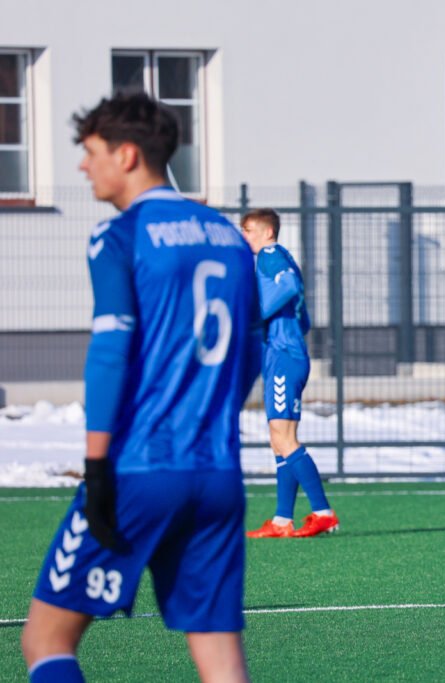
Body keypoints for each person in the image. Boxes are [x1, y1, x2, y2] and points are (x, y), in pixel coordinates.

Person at [21, 93, 258, 682]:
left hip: (140, 469)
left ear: (126, 155)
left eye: (91, 152)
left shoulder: (119, 236)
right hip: (218, 473)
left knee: (46, 639)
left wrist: (96, 467)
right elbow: (253, 348)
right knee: (221, 659)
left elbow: (110, 352)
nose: (83, 166)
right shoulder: (228, 235)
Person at [241, 208, 339, 538]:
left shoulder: (270, 255)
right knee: (277, 438)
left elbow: (289, 287)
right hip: (282, 355)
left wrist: (255, 315)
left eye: (248, 230)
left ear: (267, 232)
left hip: (284, 357)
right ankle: (282, 520)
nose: (245, 237)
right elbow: (303, 317)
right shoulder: (279, 258)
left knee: (284, 438)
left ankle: (323, 512)